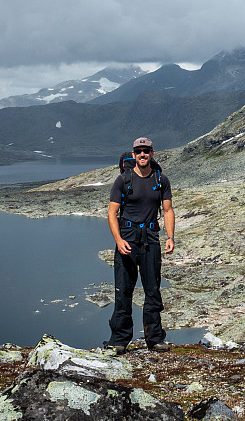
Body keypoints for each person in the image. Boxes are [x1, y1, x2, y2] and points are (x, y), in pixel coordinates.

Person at [106, 137, 175, 354]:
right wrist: (118, 241)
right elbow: (111, 213)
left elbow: (168, 210)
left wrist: (170, 237)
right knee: (123, 290)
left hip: (151, 240)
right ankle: (119, 341)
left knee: (152, 291)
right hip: (127, 239)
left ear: (152, 153)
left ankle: (154, 339)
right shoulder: (123, 181)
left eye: (146, 151)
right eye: (139, 151)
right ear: (133, 155)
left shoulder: (161, 180)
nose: (142, 154)